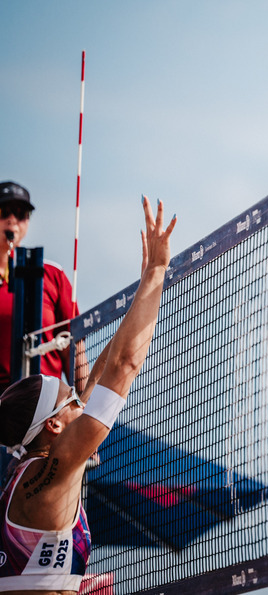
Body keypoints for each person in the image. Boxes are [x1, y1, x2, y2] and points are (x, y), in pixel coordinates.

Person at [0, 197, 175, 594]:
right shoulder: (55, 472)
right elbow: (126, 366)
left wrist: (143, 285)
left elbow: (100, 375)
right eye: (72, 400)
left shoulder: (26, 474)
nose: (82, 401)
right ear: (54, 424)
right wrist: (158, 273)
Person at [0, 181, 88, 393]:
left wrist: (84, 408)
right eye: (4, 212)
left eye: (21, 214)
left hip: (45, 405)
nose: (13, 219)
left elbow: (72, 346)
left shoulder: (51, 274)